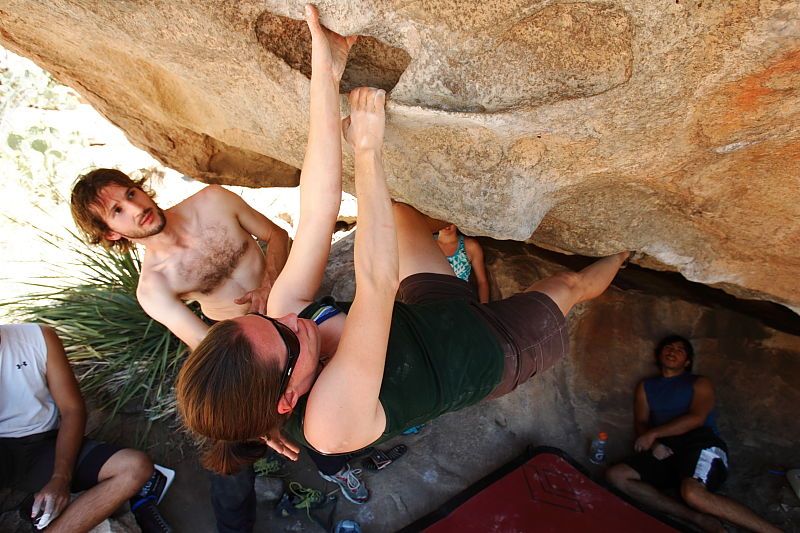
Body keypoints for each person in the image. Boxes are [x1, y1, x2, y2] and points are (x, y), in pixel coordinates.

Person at [175, 5, 629, 472]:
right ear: (288, 397)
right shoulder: (328, 424)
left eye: (266, 321)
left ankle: (463, 255)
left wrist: (326, 73)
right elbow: (376, 280)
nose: (287, 318)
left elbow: (316, 211)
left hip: (432, 313)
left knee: (398, 213)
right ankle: (626, 251)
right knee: (567, 286)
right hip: (487, 354)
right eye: (286, 337)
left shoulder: (285, 323)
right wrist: (368, 150)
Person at [69, 169, 290, 351]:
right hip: (251, 339)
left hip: (289, 294)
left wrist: (270, 284)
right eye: (118, 210)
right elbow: (204, 346)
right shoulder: (153, 287)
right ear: (110, 234)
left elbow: (276, 235)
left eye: (131, 194)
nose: (136, 208)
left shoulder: (213, 200)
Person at [0, 322, 171, 533]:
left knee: (135, 467)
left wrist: (61, 477)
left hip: (45, 446)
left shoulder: (39, 337)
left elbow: (72, 409)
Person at [605, 336, 780, 532]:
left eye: (680, 350)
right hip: (667, 448)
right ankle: (697, 519)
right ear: (659, 354)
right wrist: (654, 444)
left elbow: (696, 417)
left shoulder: (699, 382)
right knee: (617, 475)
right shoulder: (646, 386)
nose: (673, 351)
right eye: (668, 347)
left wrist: (653, 434)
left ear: (687, 362)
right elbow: (641, 422)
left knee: (693, 493)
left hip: (701, 443)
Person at [435, 223, 489, 303]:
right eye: (442, 220)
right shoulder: (427, 243)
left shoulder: (471, 246)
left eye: (450, 221)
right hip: (433, 302)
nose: (446, 225)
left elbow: (482, 282)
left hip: (461, 302)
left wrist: (484, 309)